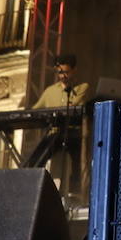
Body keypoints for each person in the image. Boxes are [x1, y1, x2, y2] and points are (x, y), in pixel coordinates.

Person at [26, 54, 90, 200]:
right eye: (60, 72)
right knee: (36, 158)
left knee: (77, 160)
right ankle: (30, 189)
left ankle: (76, 193)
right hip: (55, 133)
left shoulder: (82, 87)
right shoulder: (50, 91)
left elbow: (75, 107)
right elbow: (34, 111)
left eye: (66, 72)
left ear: (74, 70)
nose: (63, 76)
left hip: (73, 132)